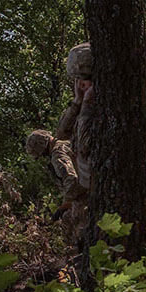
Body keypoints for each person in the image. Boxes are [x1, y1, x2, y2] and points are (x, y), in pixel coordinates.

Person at [25, 130, 87, 241]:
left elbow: (72, 180)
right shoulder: (65, 143)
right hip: (89, 185)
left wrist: (64, 206)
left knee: (69, 220)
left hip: (86, 192)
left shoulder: (57, 155)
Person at [55, 42, 93, 192]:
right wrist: (78, 102)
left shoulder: (101, 108)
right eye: (77, 80)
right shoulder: (82, 106)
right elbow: (62, 133)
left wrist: (87, 103)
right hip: (88, 184)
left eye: (84, 79)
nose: (80, 85)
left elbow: (86, 144)